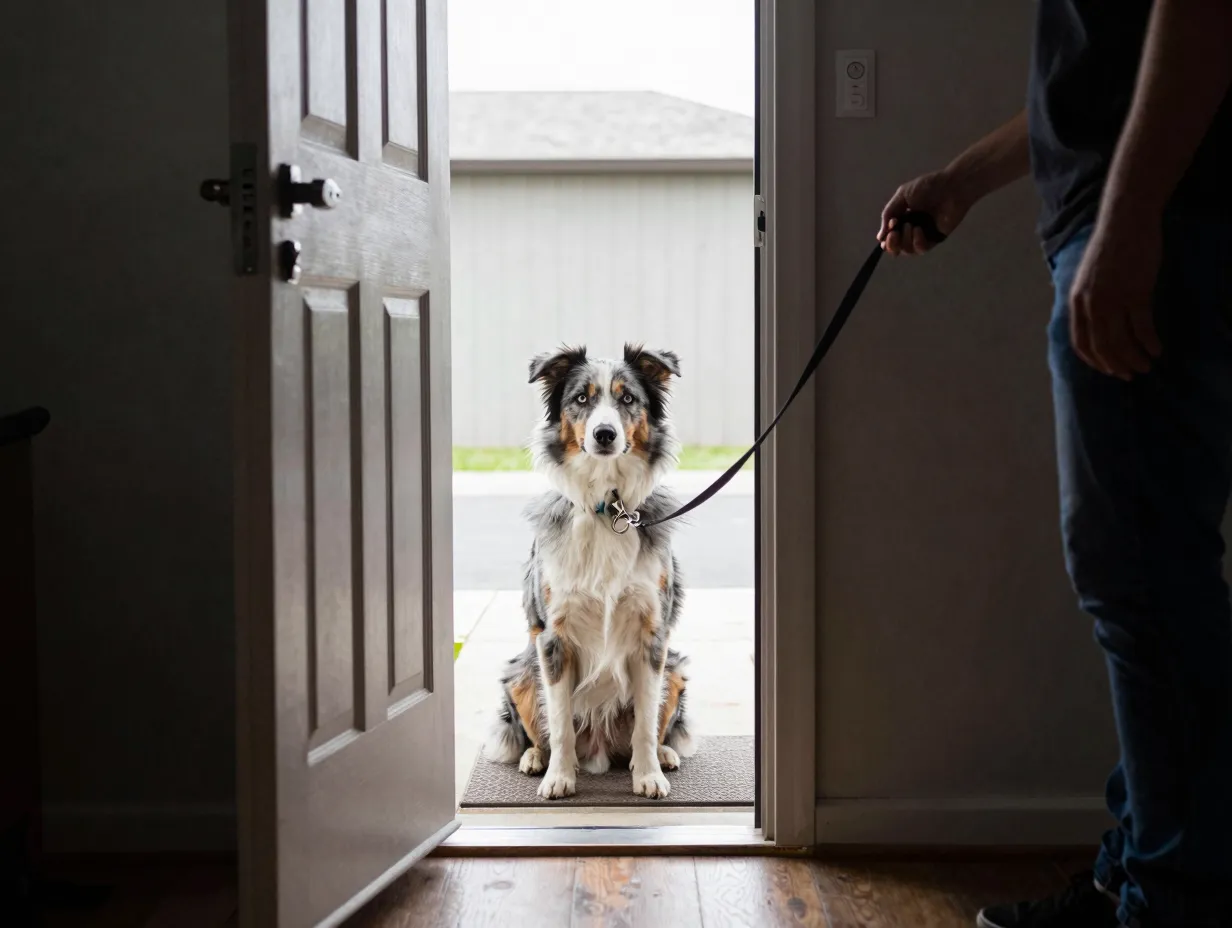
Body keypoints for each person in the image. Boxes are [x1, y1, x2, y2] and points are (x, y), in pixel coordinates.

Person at [877, 2, 1232, 927]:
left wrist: (1129, 222)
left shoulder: (1144, 219)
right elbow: (1091, 88)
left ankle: (1173, 899)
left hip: (1148, 231)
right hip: (1123, 226)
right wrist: (959, 181)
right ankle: (1146, 869)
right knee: (1142, 584)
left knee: (1145, 583)